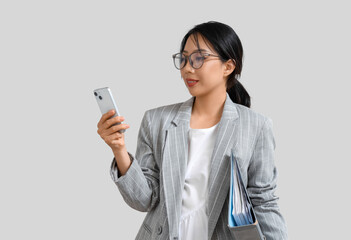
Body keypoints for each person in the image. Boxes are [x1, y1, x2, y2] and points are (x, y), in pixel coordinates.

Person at [97, 21, 288, 240]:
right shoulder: (156, 121)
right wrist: (119, 149)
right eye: (184, 58)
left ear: (228, 66)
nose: (188, 67)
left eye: (199, 58)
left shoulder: (256, 126)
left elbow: (263, 201)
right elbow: (144, 200)